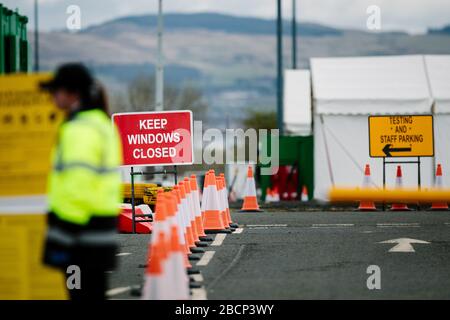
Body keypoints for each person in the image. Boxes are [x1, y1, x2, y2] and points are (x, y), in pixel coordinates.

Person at [40, 63, 122, 300]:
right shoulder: (99, 123)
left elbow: (78, 186)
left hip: (80, 234)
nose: (52, 96)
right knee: (93, 293)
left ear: (72, 93)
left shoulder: (81, 129)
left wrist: (61, 235)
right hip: (98, 231)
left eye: (56, 90)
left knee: (81, 294)